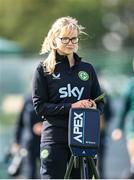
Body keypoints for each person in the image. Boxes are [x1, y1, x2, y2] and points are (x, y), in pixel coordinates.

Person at [32, 16, 104, 179]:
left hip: (82, 137)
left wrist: (94, 107)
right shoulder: (43, 69)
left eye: (74, 38)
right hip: (54, 138)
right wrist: (73, 106)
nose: (70, 42)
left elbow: (101, 102)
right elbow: (40, 107)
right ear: (54, 39)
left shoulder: (88, 69)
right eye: (65, 38)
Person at [11, 94, 42, 179]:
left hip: (44, 142)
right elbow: (19, 122)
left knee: (45, 171)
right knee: (30, 172)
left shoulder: (48, 97)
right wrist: (16, 142)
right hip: (28, 144)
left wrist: (44, 126)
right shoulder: (26, 99)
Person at [97, 93, 112, 178]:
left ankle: (101, 177)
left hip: (101, 134)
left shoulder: (104, 96)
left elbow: (109, 113)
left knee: (100, 160)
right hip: (85, 133)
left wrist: (103, 122)